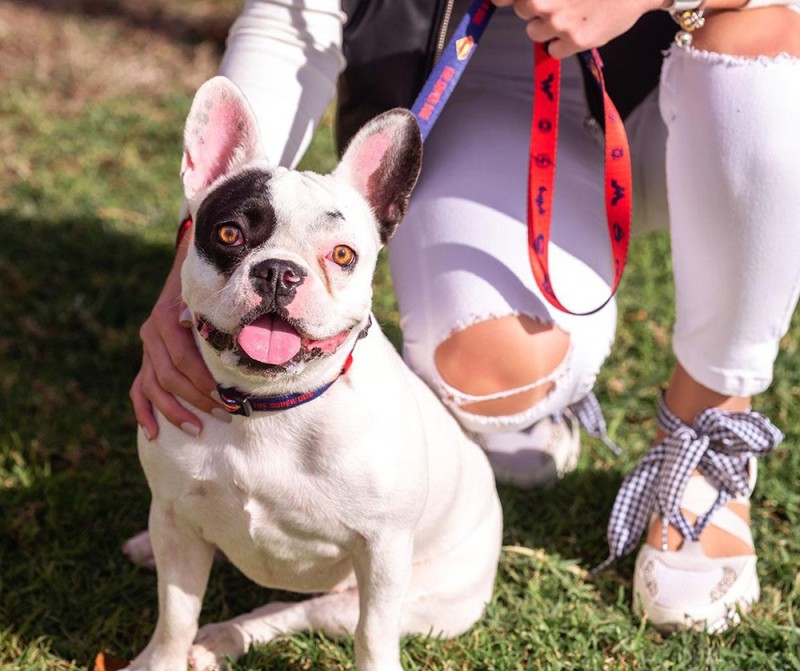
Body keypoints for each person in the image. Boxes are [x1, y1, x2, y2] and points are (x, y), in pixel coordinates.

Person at [130, 0, 800, 632]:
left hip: (688, 86)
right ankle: (536, 398)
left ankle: (712, 421)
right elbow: (289, 24)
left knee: (768, 40)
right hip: (482, 85)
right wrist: (197, 264)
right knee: (495, 372)